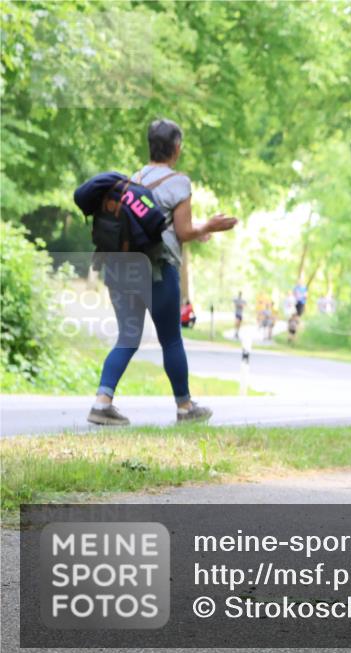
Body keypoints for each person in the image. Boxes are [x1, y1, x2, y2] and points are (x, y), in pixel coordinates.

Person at [87, 119, 238, 426]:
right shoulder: (179, 182)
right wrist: (207, 226)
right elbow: (182, 232)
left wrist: (199, 231)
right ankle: (185, 407)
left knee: (127, 337)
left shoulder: (134, 178)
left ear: (150, 146)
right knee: (171, 339)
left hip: (121, 269)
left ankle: (102, 403)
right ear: (177, 148)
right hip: (157, 271)